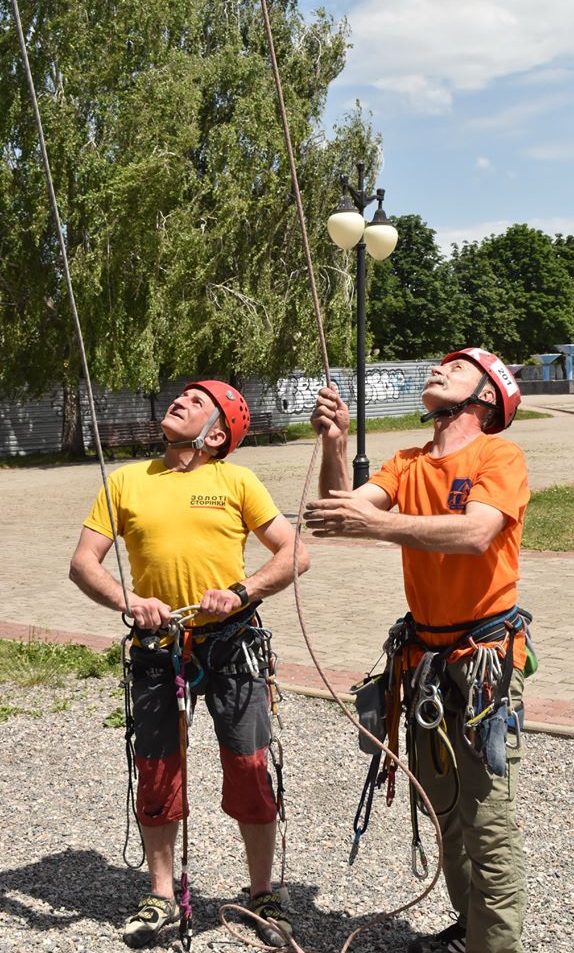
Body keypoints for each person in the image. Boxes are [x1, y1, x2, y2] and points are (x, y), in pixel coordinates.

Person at [70, 380, 309, 950]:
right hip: (158, 646)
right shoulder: (126, 481)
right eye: (182, 395)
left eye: (198, 402)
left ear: (218, 434)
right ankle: (159, 895)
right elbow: (83, 563)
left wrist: (242, 590)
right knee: (155, 769)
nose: (181, 400)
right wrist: (129, 602)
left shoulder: (236, 480)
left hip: (232, 642)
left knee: (250, 766)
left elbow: (296, 552)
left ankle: (260, 895)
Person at [305, 349, 530, 953]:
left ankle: (495, 947)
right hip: (427, 662)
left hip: (484, 658)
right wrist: (336, 441)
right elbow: (339, 516)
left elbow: (476, 532)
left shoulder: (497, 454)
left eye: (458, 368)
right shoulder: (406, 462)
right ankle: (468, 929)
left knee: (486, 822)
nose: (440, 368)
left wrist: (376, 524)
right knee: (445, 810)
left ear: (487, 396)